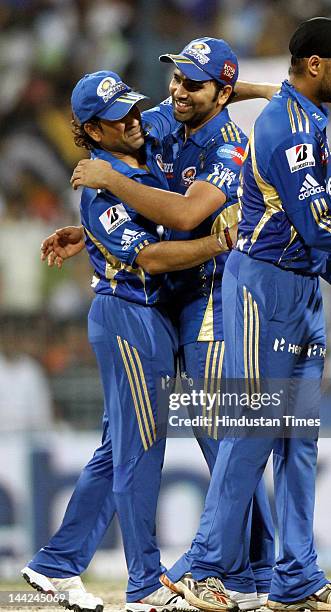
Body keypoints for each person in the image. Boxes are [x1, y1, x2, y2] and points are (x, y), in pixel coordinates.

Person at [69, 33, 331, 612]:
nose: (175, 92)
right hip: (171, 299)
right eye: (176, 78)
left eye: (193, 82)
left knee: (239, 433)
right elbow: (124, 159)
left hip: (216, 299)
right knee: (232, 435)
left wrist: (112, 184)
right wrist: (91, 226)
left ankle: (245, 571)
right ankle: (225, 572)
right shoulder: (164, 119)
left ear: (222, 92)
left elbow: (191, 211)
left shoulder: (234, 145)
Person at [22, 69, 242, 612]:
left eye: (131, 106)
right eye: (118, 115)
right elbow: (150, 256)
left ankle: (56, 563)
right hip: (130, 315)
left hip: (150, 315)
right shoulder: (102, 185)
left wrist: (87, 235)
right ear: (93, 132)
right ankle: (145, 583)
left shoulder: (135, 157)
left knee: (117, 448)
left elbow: (157, 220)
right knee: (141, 449)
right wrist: (218, 245)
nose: (133, 117)